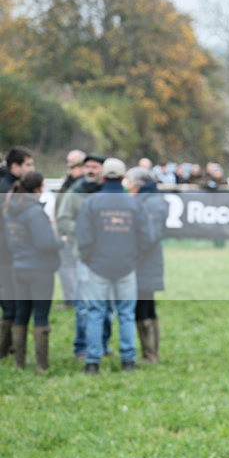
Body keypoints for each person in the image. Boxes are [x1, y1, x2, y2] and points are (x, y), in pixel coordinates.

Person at [76, 158, 154, 374]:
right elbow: (147, 237)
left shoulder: (92, 202)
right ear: (122, 178)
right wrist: (133, 257)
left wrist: (90, 259)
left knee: (95, 312)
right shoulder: (134, 203)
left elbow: (83, 237)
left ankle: (93, 361)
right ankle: (128, 360)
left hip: (98, 266)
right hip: (126, 266)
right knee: (126, 314)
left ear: (103, 176)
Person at [3, 172, 63, 372]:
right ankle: (41, 364)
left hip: (18, 267)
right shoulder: (34, 212)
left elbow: (11, 241)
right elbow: (45, 243)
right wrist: (59, 242)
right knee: (41, 316)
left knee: (21, 315)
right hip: (40, 269)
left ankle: (19, 362)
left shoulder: (11, 209)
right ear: (38, 188)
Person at [57, 153, 113, 359]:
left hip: (107, 257)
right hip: (84, 256)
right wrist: (85, 231)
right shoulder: (76, 192)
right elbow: (62, 220)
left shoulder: (110, 192)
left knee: (107, 305)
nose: (90, 170)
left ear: (103, 171)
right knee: (84, 304)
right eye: (88, 166)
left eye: (95, 167)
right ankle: (81, 346)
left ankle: (103, 344)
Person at [125, 167, 168, 363]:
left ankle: (150, 353)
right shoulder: (149, 200)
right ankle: (150, 351)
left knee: (144, 307)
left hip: (145, 263)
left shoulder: (151, 203)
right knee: (145, 305)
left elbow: (149, 236)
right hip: (145, 262)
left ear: (138, 184)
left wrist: (131, 252)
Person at [0, 146, 35, 360]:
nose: (32, 168)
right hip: (6, 255)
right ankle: (5, 350)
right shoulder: (6, 188)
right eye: (28, 165)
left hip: (10, 254)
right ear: (15, 167)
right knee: (11, 305)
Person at [55, 149, 86, 308]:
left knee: (70, 266)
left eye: (72, 163)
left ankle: (73, 300)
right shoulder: (69, 182)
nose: (69, 166)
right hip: (65, 229)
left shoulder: (81, 186)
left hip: (73, 232)